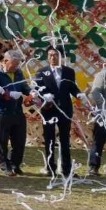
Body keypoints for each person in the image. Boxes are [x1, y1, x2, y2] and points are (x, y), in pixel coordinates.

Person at [33, 46, 81, 178]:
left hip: (65, 109)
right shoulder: (41, 72)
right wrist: (44, 96)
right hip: (49, 109)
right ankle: (50, 167)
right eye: (50, 55)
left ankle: (66, 169)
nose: (53, 57)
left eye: (55, 55)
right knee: (49, 138)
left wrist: (79, 94)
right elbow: (36, 89)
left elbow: (72, 87)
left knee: (65, 139)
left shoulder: (69, 71)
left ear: (61, 57)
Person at [0, 50, 30, 176]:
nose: (16, 67)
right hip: (1, 111)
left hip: (17, 110)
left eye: (17, 64)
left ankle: (15, 164)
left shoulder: (18, 72)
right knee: (2, 140)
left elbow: (24, 86)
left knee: (19, 140)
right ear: (5, 61)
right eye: (14, 64)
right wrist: (8, 93)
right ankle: (4, 165)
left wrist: (31, 92)